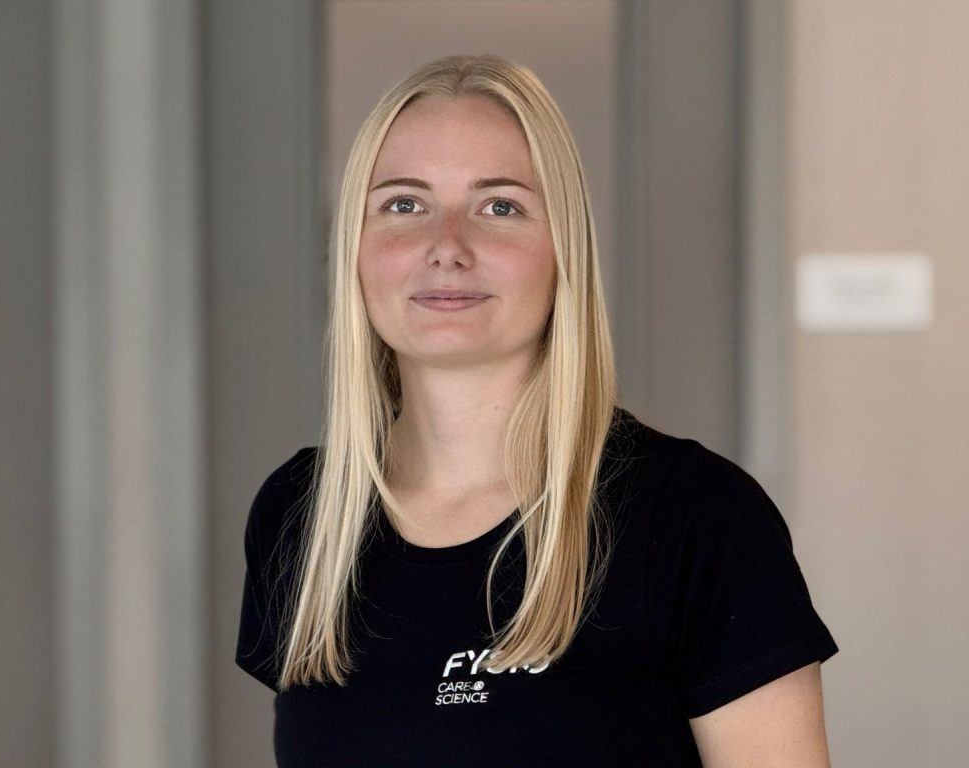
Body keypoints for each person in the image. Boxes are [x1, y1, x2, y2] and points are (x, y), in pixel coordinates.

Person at [236, 54, 838, 767]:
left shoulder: (696, 517)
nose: (447, 247)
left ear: (563, 250)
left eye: (500, 207)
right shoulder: (301, 517)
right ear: (354, 249)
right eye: (403, 204)